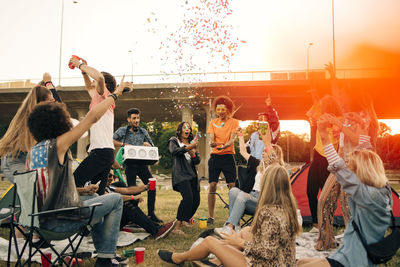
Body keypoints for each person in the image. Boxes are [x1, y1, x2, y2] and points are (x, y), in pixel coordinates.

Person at [26, 76, 133, 267]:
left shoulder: (33, 152)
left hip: (38, 222)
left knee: (98, 201)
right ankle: (106, 258)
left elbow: (50, 188)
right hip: (60, 221)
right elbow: (92, 118)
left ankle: (104, 255)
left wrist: (83, 191)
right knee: (115, 200)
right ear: (57, 123)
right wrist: (117, 93)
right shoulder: (58, 145)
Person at [157, 163, 302, 267]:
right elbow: (274, 242)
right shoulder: (288, 208)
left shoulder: (267, 212)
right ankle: (215, 262)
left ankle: (178, 258)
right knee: (245, 231)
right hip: (285, 262)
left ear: (267, 185)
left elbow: (268, 252)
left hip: (265, 264)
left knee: (209, 241)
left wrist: (239, 243)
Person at [297, 114, 392, 267]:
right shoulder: (381, 189)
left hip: (352, 261)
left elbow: (354, 154)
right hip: (343, 254)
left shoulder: (369, 194)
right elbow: (342, 157)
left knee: (349, 207)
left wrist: (330, 134)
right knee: (300, 261)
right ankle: (326, 240)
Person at [215, 126, 284, 235]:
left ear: (273, 156)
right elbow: (243, 151)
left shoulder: (276, 170)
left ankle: (229, 227)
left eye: (266, 152)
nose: (263, 153)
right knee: (233, 191)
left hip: (264, 203)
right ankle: (235, 226)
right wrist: (241, 135)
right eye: (263, 151)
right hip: (252, 197)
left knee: (242, 196)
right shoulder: (259, 164)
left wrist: (268, 143)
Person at [71, 56, 118, 195]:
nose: (92, 81)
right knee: (99, 193)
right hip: (105, 153)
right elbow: (88, 85)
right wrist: (84, 72)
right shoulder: (100, 99)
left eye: (94, 80)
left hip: (101, 152)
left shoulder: (105, 95)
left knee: (74, 183)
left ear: (105, 87)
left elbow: (100, 78)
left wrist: (79, 65)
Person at [0, 73, 59, 183]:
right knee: (34, 184)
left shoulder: (43, 117)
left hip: (29, 159)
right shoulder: (32, 118)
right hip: (16, 160)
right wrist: (49, 83)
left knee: (45, 186)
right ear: (41, 102)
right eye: (51, 99)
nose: (54, 102)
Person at [113, 108, 162, 223]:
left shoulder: (143, 131)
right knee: (132, 190)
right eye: (134, 118)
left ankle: (151, 214)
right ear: (129, 119)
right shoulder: (122, 131)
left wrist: (148, 145)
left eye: (138, 118)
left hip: (142, 164)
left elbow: (152, 146)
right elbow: (111, 141)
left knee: (152, 185)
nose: (136, 120)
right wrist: (123, 144)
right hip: (130, 164)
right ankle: (134, 217)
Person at [306, 95, 342, 230]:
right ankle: (316, 224)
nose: (319, 107)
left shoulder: (337, 120)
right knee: (310, 191)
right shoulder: (319, 116)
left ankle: (325, 224)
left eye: (322, 105)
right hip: (317, 157)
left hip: (328, 157)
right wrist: (317, 98)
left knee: (325, 195)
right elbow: (309, 113)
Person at [104, 172, 176, 240]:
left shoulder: (109, 187)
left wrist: (145, 187)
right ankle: (156, 231)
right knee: (127, 207)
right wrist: (133, 197)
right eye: (109, 175)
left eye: (113, 176)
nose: (111, 178)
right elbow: (113, 197)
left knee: (129, 202)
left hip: (113, 219)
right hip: (106, 225)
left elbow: (127, 190)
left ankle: (157, 227)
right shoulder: (99, 188)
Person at [207, 95, 239, 224]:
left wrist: (227, 145)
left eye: (222, 109)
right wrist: (212, 143)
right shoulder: (213, 122)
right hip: (215, 157)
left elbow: (232, 139)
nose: (220, 112)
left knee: (232, 186)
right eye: (218, 109)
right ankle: (211, 216)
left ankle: (233, 216)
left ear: (228, 110)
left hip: (228, 156)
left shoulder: (234, 122)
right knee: (212, 185)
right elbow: (211, 138)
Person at [168, 122, 201, 235]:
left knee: (196, 200)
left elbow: (197, 161)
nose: (187, 129)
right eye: (184, 127)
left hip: (192, 175)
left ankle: (185, 219)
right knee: (187, 198)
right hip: (181, 174)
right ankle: (177, 227)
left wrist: (193, 153)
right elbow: (174, 152)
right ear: (180, 130)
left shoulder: (192, 143)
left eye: (189, 128)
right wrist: (189, 147)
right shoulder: (174, 140)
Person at [246, 95, 280, 160]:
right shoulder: (254, 135)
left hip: (268, 161)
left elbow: (275, 120)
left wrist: (269, 106)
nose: (261, 120)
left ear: (268, 121)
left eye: (264, 118)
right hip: (256, 163)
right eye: (260, 119)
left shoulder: (272, 132)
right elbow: (247, 147)